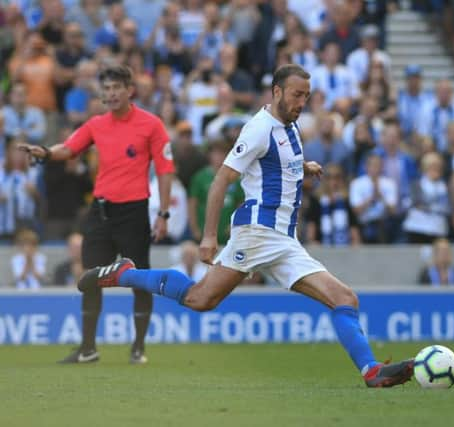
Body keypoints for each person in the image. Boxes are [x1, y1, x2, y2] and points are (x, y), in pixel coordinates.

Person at [76, 64, 414, 388]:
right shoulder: (258, 128)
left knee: (344, 298)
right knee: (199, 299)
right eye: (296, 95)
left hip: (284, 238)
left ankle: (372, 372)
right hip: (257, 233)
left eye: (306, 96)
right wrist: (209, 236)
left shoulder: (290, 125)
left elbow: (279, 163)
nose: (301, 103)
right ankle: (124, 274)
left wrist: (304, 167)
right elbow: (221, 180)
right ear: (277, 91)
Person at [19, 65, 175, 364]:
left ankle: (138, 348)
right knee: (90, 278)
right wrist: (46, 152)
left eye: (117, 87)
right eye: (106, 89)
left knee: (139, 280)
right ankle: (88, 349)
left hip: (133, 212)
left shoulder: (151, 124)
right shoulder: (96, 124)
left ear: (130, 90)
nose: (111, 93)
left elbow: (166, 171)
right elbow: (69, 148)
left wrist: (163, 214)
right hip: (101, 212)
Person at [188, 140, 244, 244]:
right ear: (209, 155)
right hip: (204, 232)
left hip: (228, 233)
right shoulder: (200, 177)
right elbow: (192, 204)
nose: (219, 157)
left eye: (222, 153)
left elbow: (241, 204)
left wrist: (234, 225)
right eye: (216, 153)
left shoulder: (235, 178)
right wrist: (195, 229)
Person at [305, 164, 361, 246]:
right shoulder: (316, 200)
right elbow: (311, 233)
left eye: (337, 177)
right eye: (329, 178)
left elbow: (354, 231)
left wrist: (355, 244)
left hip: (345, 248)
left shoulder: (346, 200)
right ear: (323, 180)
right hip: (322, 247)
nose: (333, 181)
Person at [349, 153, 397, 244]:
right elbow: (355, 210)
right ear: (366, 167)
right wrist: (370, 199)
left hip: (383, 226)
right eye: (373, 165)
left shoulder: (389, 183)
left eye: (378, 165)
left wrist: (381, 196)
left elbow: (393, 211)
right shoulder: (357, 184)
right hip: (364, 225)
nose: (375, 168)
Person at [403, 152, 450, 244]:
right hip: (418, 228)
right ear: (425, 167)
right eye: (432, 166)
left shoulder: (444, 186)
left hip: (438, 228)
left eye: (438, 166)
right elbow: (416, 203)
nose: (435, 169)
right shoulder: (417, 184)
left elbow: (447, 207)